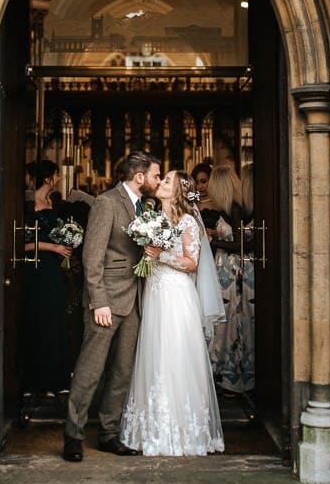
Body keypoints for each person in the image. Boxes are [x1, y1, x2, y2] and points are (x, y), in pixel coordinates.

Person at [63, 151, 162, 462]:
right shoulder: (106, 202)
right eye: (155, 175)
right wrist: (99, 302)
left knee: (122, 371)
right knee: (90, 370)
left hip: (134, 300)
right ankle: (73, 435)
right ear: (139, 176)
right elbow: (91, 257)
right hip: (106, 301)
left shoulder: (144, 207)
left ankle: (109, 432)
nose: (157, 180)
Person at [119, 170, 225, 456]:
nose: (161, 183)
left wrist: (158, 255)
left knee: (174, 356)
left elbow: (192, 263)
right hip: (155, 294)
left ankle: (182, 431)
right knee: (154, 356)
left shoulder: (188, 221)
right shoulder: (153, 218)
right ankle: (152, 430)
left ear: (177, 190)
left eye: (166, 181)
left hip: (177, 296)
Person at [20, 160, 75, 396]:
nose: (59, 179)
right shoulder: (26, 204)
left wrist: (68, 241)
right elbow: (21, 244)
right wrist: (53, 247)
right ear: (48, 178)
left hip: (53, 268)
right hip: (35, 267)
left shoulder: (54, 203)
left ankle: (55, 380)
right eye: (56, 175)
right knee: (36, 318)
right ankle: (34, 383)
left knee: (54, 317)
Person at [205, 164, 255, 396]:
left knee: (231, 321)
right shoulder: (230, 208)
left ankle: (232, 376)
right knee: (225, 322)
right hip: (226, 270)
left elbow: (241, 244)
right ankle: (226, 373)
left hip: (234, 270)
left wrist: (213, 242)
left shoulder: (234, 209)